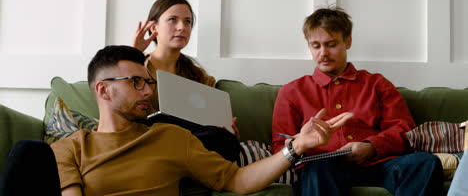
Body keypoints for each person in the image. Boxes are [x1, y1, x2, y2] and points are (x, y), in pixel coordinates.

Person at [44, 45, 353, 195]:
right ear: (103, 90)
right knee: (26, 155)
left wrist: (296, 145)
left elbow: (236, 180)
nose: (147, 90)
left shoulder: (171, 137)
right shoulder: (68, 149)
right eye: (135, 82)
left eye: (148, 82)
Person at [271, 6, 443, 196]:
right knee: (319, 170)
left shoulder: (377, 83)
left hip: (378, 165)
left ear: (348, 42)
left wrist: (371, 146)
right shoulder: (292, 91)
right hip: (321, 169)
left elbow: (404, 129)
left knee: (425, 162)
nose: (323, 53)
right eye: (316, 45)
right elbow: (280, 146)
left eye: (331, 44)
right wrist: (302, 142)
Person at [132, 0, 240, 138]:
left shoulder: (199, 76)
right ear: (153, 27)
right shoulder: (137, 66)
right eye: (172, 20)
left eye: (187, 22)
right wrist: (133, 54)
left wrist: (229, 133)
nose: (182, 27)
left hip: (192, 142)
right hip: (150, 139)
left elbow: (212, 123)